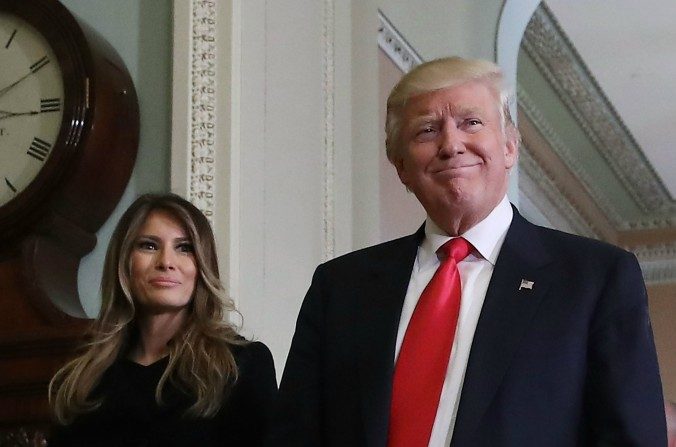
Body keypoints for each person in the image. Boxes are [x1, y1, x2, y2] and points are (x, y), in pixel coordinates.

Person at [268, 57, 667, 446]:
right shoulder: (341, 287)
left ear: (509, 147)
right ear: (401, 165)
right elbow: (296, 433)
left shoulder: (594, 278)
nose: (451, 144)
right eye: (426, 131)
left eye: (471, 123)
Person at [48, 193, 277, 446]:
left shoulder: (240, 366)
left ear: (203, 265)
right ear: (124, 262)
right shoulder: (81, 380)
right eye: (149, 245)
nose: (166, 262)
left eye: (184, 248)